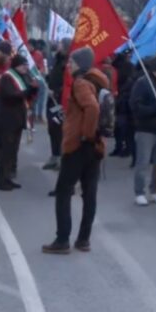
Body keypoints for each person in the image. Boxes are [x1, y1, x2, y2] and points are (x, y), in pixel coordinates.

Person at [43, 47, 110, 254]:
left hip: (79, 145)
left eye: (72, 62)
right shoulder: (98, 81)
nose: (68, 65)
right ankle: (83, 240)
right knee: (89, 193)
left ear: (80, 64)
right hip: (95, 145)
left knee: (63, 192)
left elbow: (92, 108)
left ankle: (62, 239)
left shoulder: (81, 83)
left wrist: (85, 134)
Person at [129, 55, 156, 206]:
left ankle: (155, 190)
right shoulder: (142, 84)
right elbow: (136, 107)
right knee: (143, 162)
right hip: (145, 130)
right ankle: (139, 192)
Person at [0, 55, 38, 190]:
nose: (26, 67)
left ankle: (7, 178)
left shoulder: (23, 76)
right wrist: (28, 90)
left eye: (26, 65)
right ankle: (0, 181)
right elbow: (10, 95)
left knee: (12, 151)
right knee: (5, 152)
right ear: (16, 65)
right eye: (23, 65)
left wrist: (33, 89)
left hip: (17, 119)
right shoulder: (7, 77)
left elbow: (26, 95)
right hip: (7, 119)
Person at [43, 46, 68, 170]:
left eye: (61, 44)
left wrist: (57, 93)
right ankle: (54, 156)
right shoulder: (56, 61)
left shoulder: (67, 63)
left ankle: (61, 158)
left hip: (60, 102)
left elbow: (68, 84)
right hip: (52, 102)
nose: (58, 46)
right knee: (52, 129)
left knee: (59, 131)